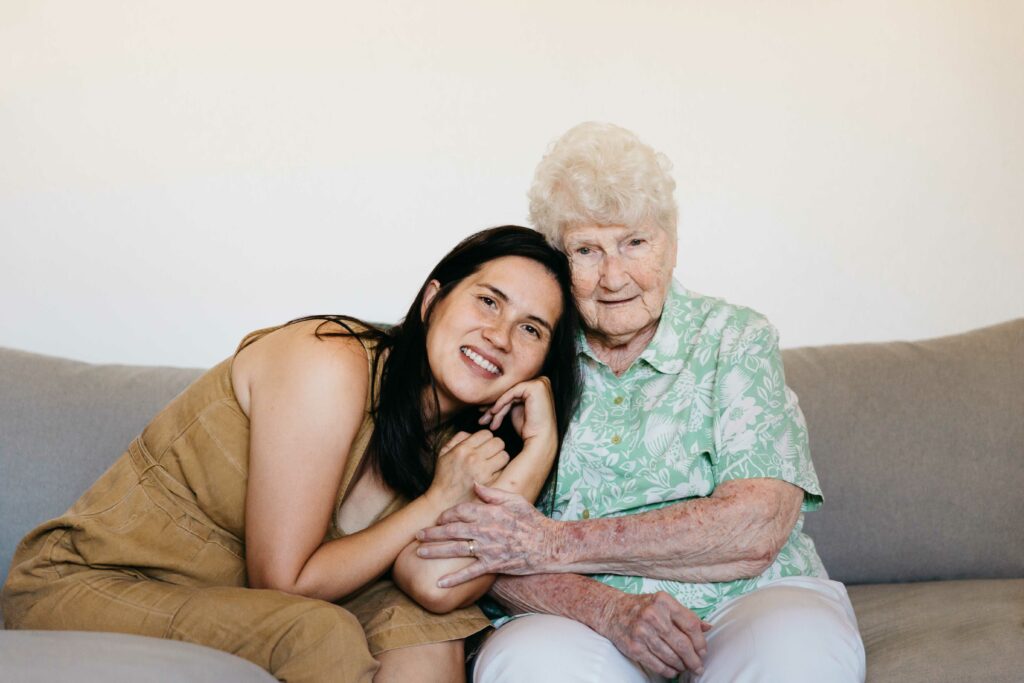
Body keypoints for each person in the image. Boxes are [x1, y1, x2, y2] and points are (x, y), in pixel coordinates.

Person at [1, 225, 582, 683]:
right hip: (93, 585)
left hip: (229, 606)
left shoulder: (456, 447)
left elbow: (438, 585)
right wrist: (433, 502)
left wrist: (537, 449)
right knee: (317, 632)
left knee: (427, 624)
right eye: (488, 301)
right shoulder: (330, 363)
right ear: (434, 300)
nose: (501, 336)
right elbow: (283, 583)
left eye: (532, 330)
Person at [415, 124, 867, 682]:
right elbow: (484, 548)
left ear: (672, 243)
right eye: (585, 249)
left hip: (748, 598)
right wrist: (608, 609)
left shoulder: (736, 339)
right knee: (532, 665)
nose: (613, 277)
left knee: (795, 651)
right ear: (558, 260)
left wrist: (551, 542)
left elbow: (757, 526)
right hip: (576, 613)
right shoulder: (524, 347)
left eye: (635, 242)